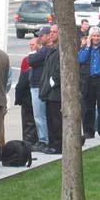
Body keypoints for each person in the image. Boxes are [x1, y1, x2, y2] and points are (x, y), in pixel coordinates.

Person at [27, 27, 53, 152]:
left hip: (38, 86)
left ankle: (44, 140)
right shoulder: (45, 49)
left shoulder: (45, 50)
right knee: (41, 115)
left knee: (39, 115)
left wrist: (33, 53)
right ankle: (44, 139)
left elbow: (31, 60)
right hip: (39, 86)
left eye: (41, 36)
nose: (39, 38)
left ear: (48, 36)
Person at [38, 24, 61, 154]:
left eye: (54, 32)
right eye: (51, 32)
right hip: (49, 92)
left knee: (56, 121)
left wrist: (51, 83)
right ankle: (52, 144)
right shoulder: (52, 48)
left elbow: (58, 71)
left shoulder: (60, 49)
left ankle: (57, 146)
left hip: (55, 92)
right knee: (50, 120)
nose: (51, 34)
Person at [14, 38, 38, 145]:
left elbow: (22, 81)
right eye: (30, 44)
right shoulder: (26, 59)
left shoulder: (28, 60)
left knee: (29, 122)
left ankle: (29, 143)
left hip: (28, 96)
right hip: (30, 95)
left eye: (33, 44)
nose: (31, 46)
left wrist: (18, 98)